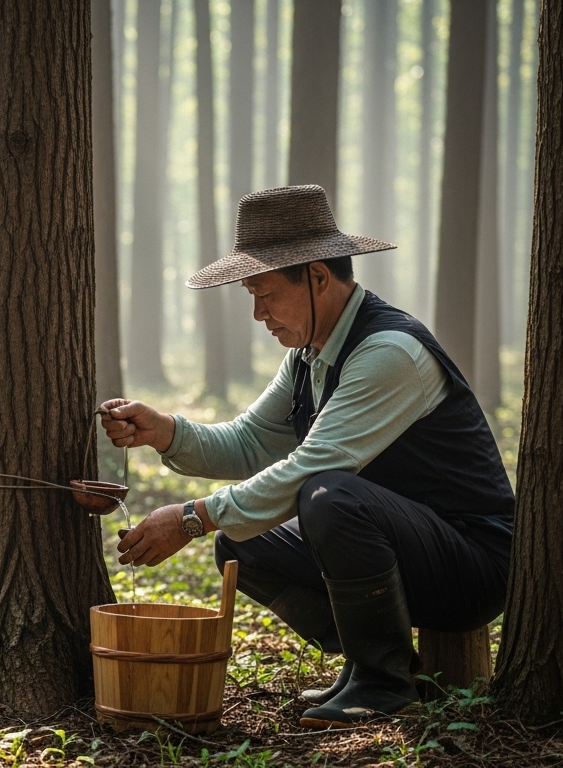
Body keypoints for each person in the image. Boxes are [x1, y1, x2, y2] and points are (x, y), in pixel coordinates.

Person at [101, 185, 514, 728]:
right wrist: (165, 433)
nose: (257, 313)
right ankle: (371, 665)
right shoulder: (308, 357)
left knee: (328, 494)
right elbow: (250, 443)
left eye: (265, 293)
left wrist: (189, 518)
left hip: (470, 564)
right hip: (405, 550)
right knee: (241, 543)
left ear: (318, 277)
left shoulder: (388, 352)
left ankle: (382, 683)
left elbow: (313, 466)